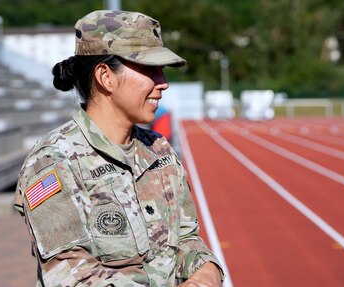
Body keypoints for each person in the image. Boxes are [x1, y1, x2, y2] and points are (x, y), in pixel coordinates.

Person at [14, 10, 224, 287]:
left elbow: (186, 238)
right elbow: (72, 276)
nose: (163, 83)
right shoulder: (54, 160)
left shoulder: (159, 150)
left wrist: (206, 272)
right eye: (150, 69)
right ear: (106, 76)